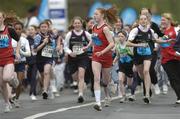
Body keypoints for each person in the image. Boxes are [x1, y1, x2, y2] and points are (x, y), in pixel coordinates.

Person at [127, 14, 171, 104]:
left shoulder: (150, 30)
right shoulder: (135, 30)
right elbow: (128, 43)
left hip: (148, 54)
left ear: (147, 21)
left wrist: (165, 41)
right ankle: (148, 85)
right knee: (142, 75)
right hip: (138, 55)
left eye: (145, 19)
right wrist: (139, 45)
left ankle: (147, 95)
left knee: (146, 71)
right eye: (141, 19)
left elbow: (155, 40)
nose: (143, 21)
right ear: (139, 21)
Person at [91, 6, 117, 111]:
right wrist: (87, 47)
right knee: (96, 78)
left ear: (102, 15)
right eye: (94, 14)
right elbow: (94, 40)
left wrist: (103, 51)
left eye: (96, 14)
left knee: (105, 81)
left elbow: (112, 44)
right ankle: (98, 102)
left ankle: (109, 87)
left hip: (106, 57)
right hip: (96, 56)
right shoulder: (93, 27)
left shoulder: (105, 28)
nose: (94, 16)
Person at [64, 16, 92, 103]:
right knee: (75, 77)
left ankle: (80, 95)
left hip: (83, 57)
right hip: (72, 58)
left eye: (78, 23)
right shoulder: (69, 34)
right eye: (75, 23)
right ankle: (81, 84)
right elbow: (65, 47)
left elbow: (93, 40)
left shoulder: (86, 34)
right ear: (73, 24)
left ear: (81, 24)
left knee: (81, 76)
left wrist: (87, 46)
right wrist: (69, 52)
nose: (77, 25)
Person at [34, 21, 60, 99]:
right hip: (39, 59)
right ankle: (47, 88)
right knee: (43, 76)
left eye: (45, 27)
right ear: (39, 28)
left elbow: (58, 38)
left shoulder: (51, 36)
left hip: (49, 58)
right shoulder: (38, 37)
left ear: (48, 28)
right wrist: (43, 43)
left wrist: (58, 47)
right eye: (42, 27)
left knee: (46, 72)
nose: (44, 28)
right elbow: (35, 50)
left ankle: (44, 90)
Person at [0, 11, 20, 113]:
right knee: (1, 84)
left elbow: (19, 40)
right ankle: (7, 104)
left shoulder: (9, 30)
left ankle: (13, 80)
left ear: (3, 18)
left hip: (8, 58)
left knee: (6, 78)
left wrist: (17, 52)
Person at [160, 13, 180, 104]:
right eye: (161, 20)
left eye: (163, 20)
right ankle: (179, 97)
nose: (162, 21)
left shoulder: (175, 30)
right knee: (173, 78)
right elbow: (163, 44)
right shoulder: (164, 32)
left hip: (176, 58)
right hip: (166, 60)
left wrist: (177, 53)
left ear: (169, 20)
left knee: (177, 78)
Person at [113, 30, 135, 102]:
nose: (120, 38)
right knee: (120, 80)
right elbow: (118, 55)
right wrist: (114, 61)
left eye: (122, 36)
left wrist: (135, 65)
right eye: (119, 36)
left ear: (126, 37)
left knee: (129, 84)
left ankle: (132, 93)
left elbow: (134, 56)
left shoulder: (129, 45)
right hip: (122, 65)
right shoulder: (117, 45)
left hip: (129, 65)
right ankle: (123, 96)